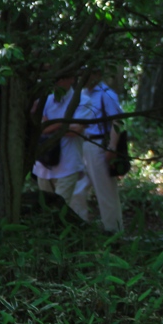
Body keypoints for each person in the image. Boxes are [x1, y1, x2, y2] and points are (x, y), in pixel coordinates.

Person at [33, 74, 91, 222]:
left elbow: (75, 131)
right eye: (56, 77)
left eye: (63, 77)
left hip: (68, 165)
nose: (58, 81)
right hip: (43, 165)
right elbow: (38, 128)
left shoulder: (82, 101)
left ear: (71, 78)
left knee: (60, 209)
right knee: (45, 210)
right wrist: (63, 124)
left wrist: (49, 124)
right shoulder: (45, 101)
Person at [80, 70, 125, 233]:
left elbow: (118, 120)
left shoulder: (106, 94)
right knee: (78, 188)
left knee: (105, 189)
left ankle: (113, 230)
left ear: (96, 75)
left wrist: (112, 147)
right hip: (82, 143)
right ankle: (79, 226)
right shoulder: (82, 93)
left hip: (98, 144)